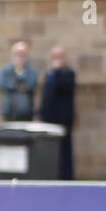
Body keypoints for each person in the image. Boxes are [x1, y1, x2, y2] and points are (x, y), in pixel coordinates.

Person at [39, 45, 76, 180]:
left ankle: (66, 178)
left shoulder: (68, 74)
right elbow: (46, 95)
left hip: (64, 118)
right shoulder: (49, 74)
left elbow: (64, 87)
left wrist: (57, 71)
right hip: (49, 117)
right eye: (55, 57)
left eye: (60, 57)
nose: (58, 60)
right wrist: (40, 113)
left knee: (65, 151)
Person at [0, 41, 37, 122]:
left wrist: (13, 86)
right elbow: (0, 85)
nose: (20, 57)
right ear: (13, 55)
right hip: (8, 112)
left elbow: (31, 85)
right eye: (17, 54)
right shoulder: (6, 70)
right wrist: (18, 86)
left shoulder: (31, 71)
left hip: (26, 113)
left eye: (23, 55)